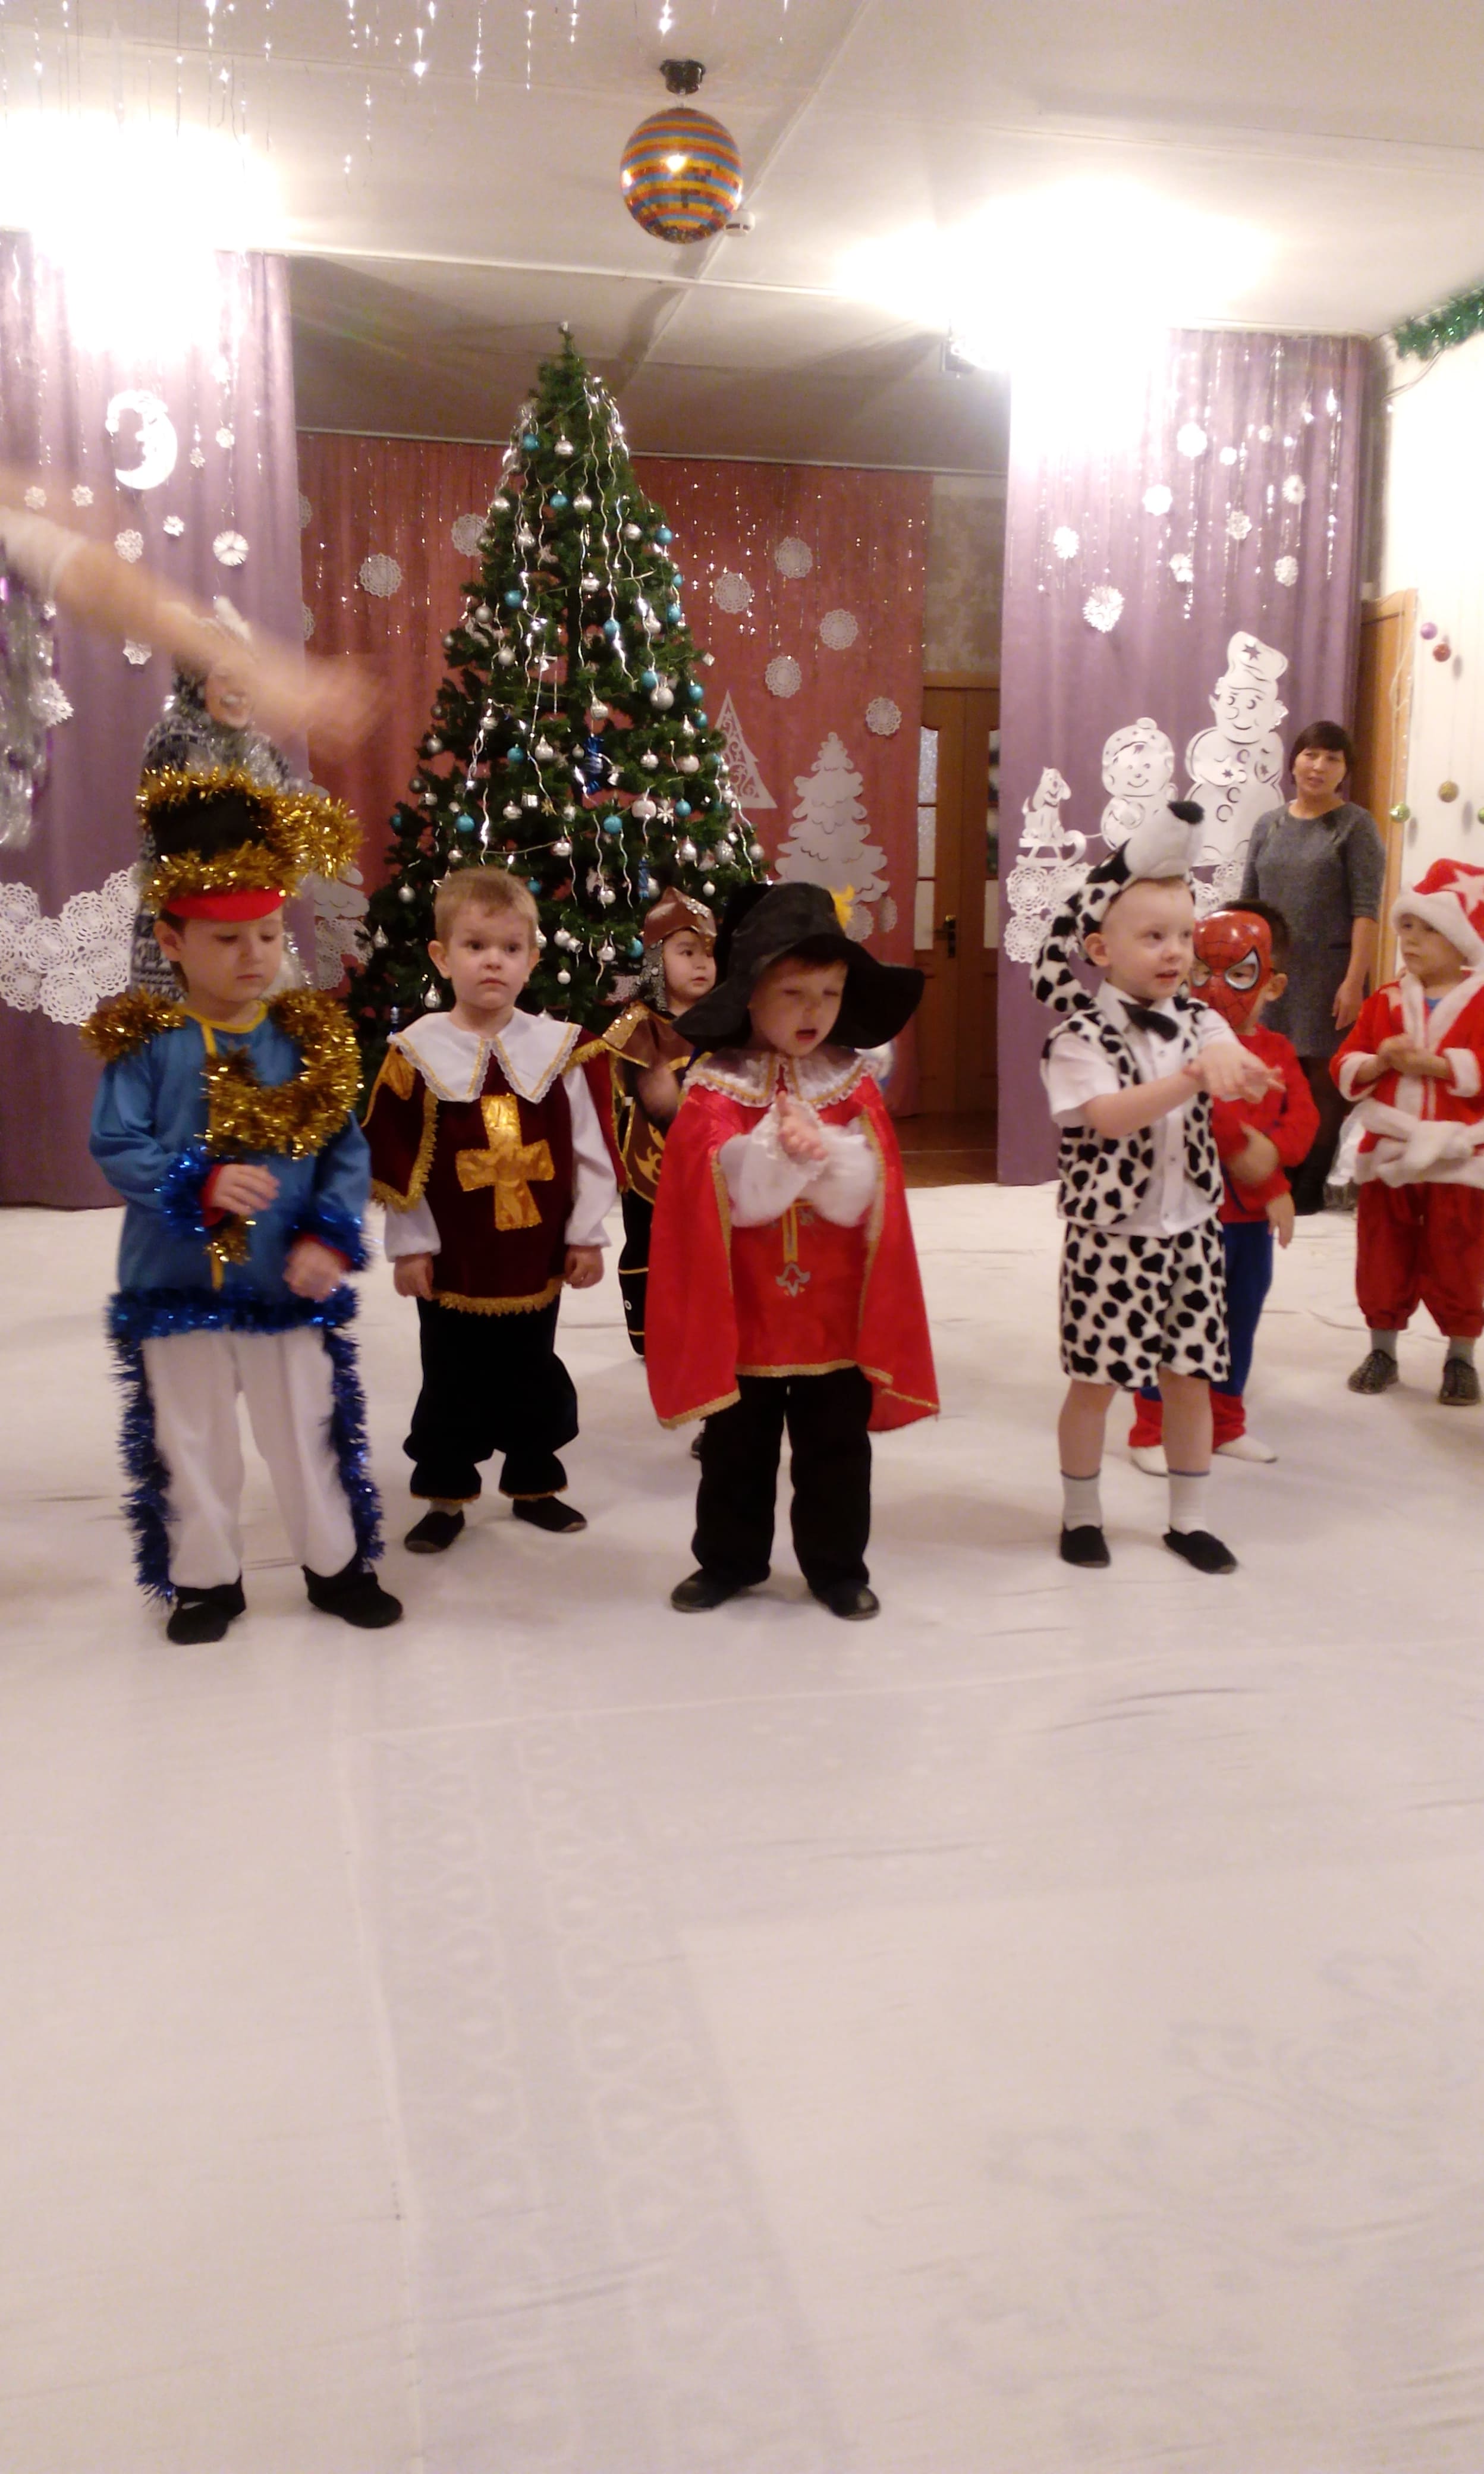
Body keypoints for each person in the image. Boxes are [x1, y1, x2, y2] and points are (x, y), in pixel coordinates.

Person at [83, 768, 401, 1644]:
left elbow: (344, 1151)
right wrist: (199, 1181)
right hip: (174, 1282)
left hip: (282, 1281)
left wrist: (330, 1238)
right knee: (189, 1440)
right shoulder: (148, 1045)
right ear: (173, 941)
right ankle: (204, 1582)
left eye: (267, 933)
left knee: (307, 1428)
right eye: (227, 938)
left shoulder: (305, 1039)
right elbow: (116, 1141)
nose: (254, 954)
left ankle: (337, 1566)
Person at [644, 881, 936, 1622]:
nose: (814, 1011)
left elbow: (874, 1195)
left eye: (829, 993)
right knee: (735, 1447)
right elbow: (707, 1189)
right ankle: (729, 1559)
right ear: (751, 994)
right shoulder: (717, 1087)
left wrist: (832, 1156)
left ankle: (836, 1567)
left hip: (834, 1316)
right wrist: (773, 1154)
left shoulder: (852, 1084)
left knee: (836, 1448)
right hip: (745, 1312)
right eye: (794, 992)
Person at [1032, 801, 1277, 1575]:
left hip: (1193, 1230)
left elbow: (1228, 1055)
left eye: (1183, 935)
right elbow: (1107, 1117)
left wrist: (1239, 1068)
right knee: (1095, 1384)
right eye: (1153, 937)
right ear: (1100, 948)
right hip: (1112, 1238)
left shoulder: (1201, 1019)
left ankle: (1188, 1519)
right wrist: (1193, 1079)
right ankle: (1081, 1514)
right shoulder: (1077, 1037)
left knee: (1191, 1379)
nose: (1175, 952)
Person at [361, 866, 618, 1552]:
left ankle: (535, 1481)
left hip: (536, 1252)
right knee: (451, 1377)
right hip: (456, 1259)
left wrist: (586, 1234)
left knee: (533, 1370)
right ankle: (445, 1493)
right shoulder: (417, 1054)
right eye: (475, 946)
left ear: (532, 959)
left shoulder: (559, 1050)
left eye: (510, 947)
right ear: (443, 957)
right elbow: (402, 1166)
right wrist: (411, 1247)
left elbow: (589, 1150)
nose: (493, 961)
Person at [1127, 900, 1318, 1470]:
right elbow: (1205, 1117)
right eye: (1202, 973)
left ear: (1272, 985)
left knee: (1241, 1317)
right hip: (1184, 1216)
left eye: (1238, 975)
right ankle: (1150, 1429)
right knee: (1169, 1319)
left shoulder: (1278, 1051)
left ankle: (1225, 1422)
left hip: (1248, 1227)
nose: (1214, 991)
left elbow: (1303, 1118)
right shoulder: (1177, 1044)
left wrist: (1274, 1159)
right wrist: (1262, 1173)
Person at [1332, 859, 1484, 1406]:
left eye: (1429, 929)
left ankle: (1461, 1357)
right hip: (1391, 1153)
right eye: (1407, 926)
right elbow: (1345, 1062)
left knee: (1461, 1259)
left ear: (1463, 940)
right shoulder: (1386, 1000)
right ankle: (1382, 1349)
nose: (1411, 939)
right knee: (1381, 1253)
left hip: (1459, 1157)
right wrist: (1379, 1061)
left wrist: (1439, 1066)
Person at [1237, 720, 1385, 1213]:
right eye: (1310, 754)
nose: (1319, 766)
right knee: (1276, 1074)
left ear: (1345, 770)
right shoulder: (1269, 824)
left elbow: (1366, 910)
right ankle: (1275, 1170)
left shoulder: (1356, 826)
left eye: (1332, 758)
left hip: (1330, 973)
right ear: (1295, 760)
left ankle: (1310, 1183)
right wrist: (1244, 974)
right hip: (1273, 974)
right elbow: (1249, 903)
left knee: (1323, 1080)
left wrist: (1354, 982)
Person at [581, 879, 717, 1357]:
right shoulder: (639, 1023)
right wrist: (656, 1089)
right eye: (687, 952)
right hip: (649, 1161)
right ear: (657, 960)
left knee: (708, 1238)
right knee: (652, 1241)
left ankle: (709, 1318)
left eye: (708, 953)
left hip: (711, 1158)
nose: (701, 963)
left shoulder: (725, 1023)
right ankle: (651, 1329)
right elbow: (633, 1083)